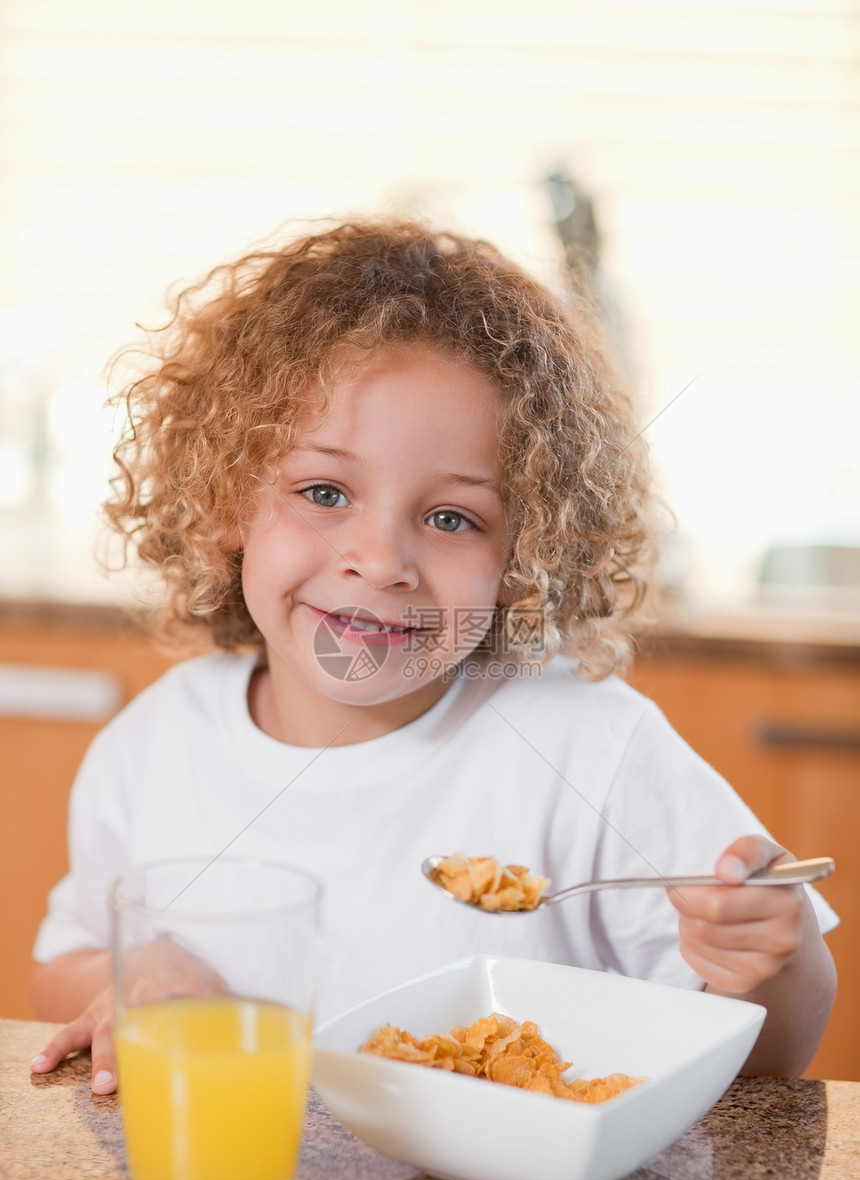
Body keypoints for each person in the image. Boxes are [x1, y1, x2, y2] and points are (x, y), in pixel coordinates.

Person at [30, 219, 837, 1095]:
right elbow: (65, 960)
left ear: (524, 550)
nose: (379, 560)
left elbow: (771, 1053)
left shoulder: (594, 750)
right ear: (228, 501)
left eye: (452, 517)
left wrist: (768, 962)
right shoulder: (153, 744)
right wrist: (135, 979)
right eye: (324, 492)